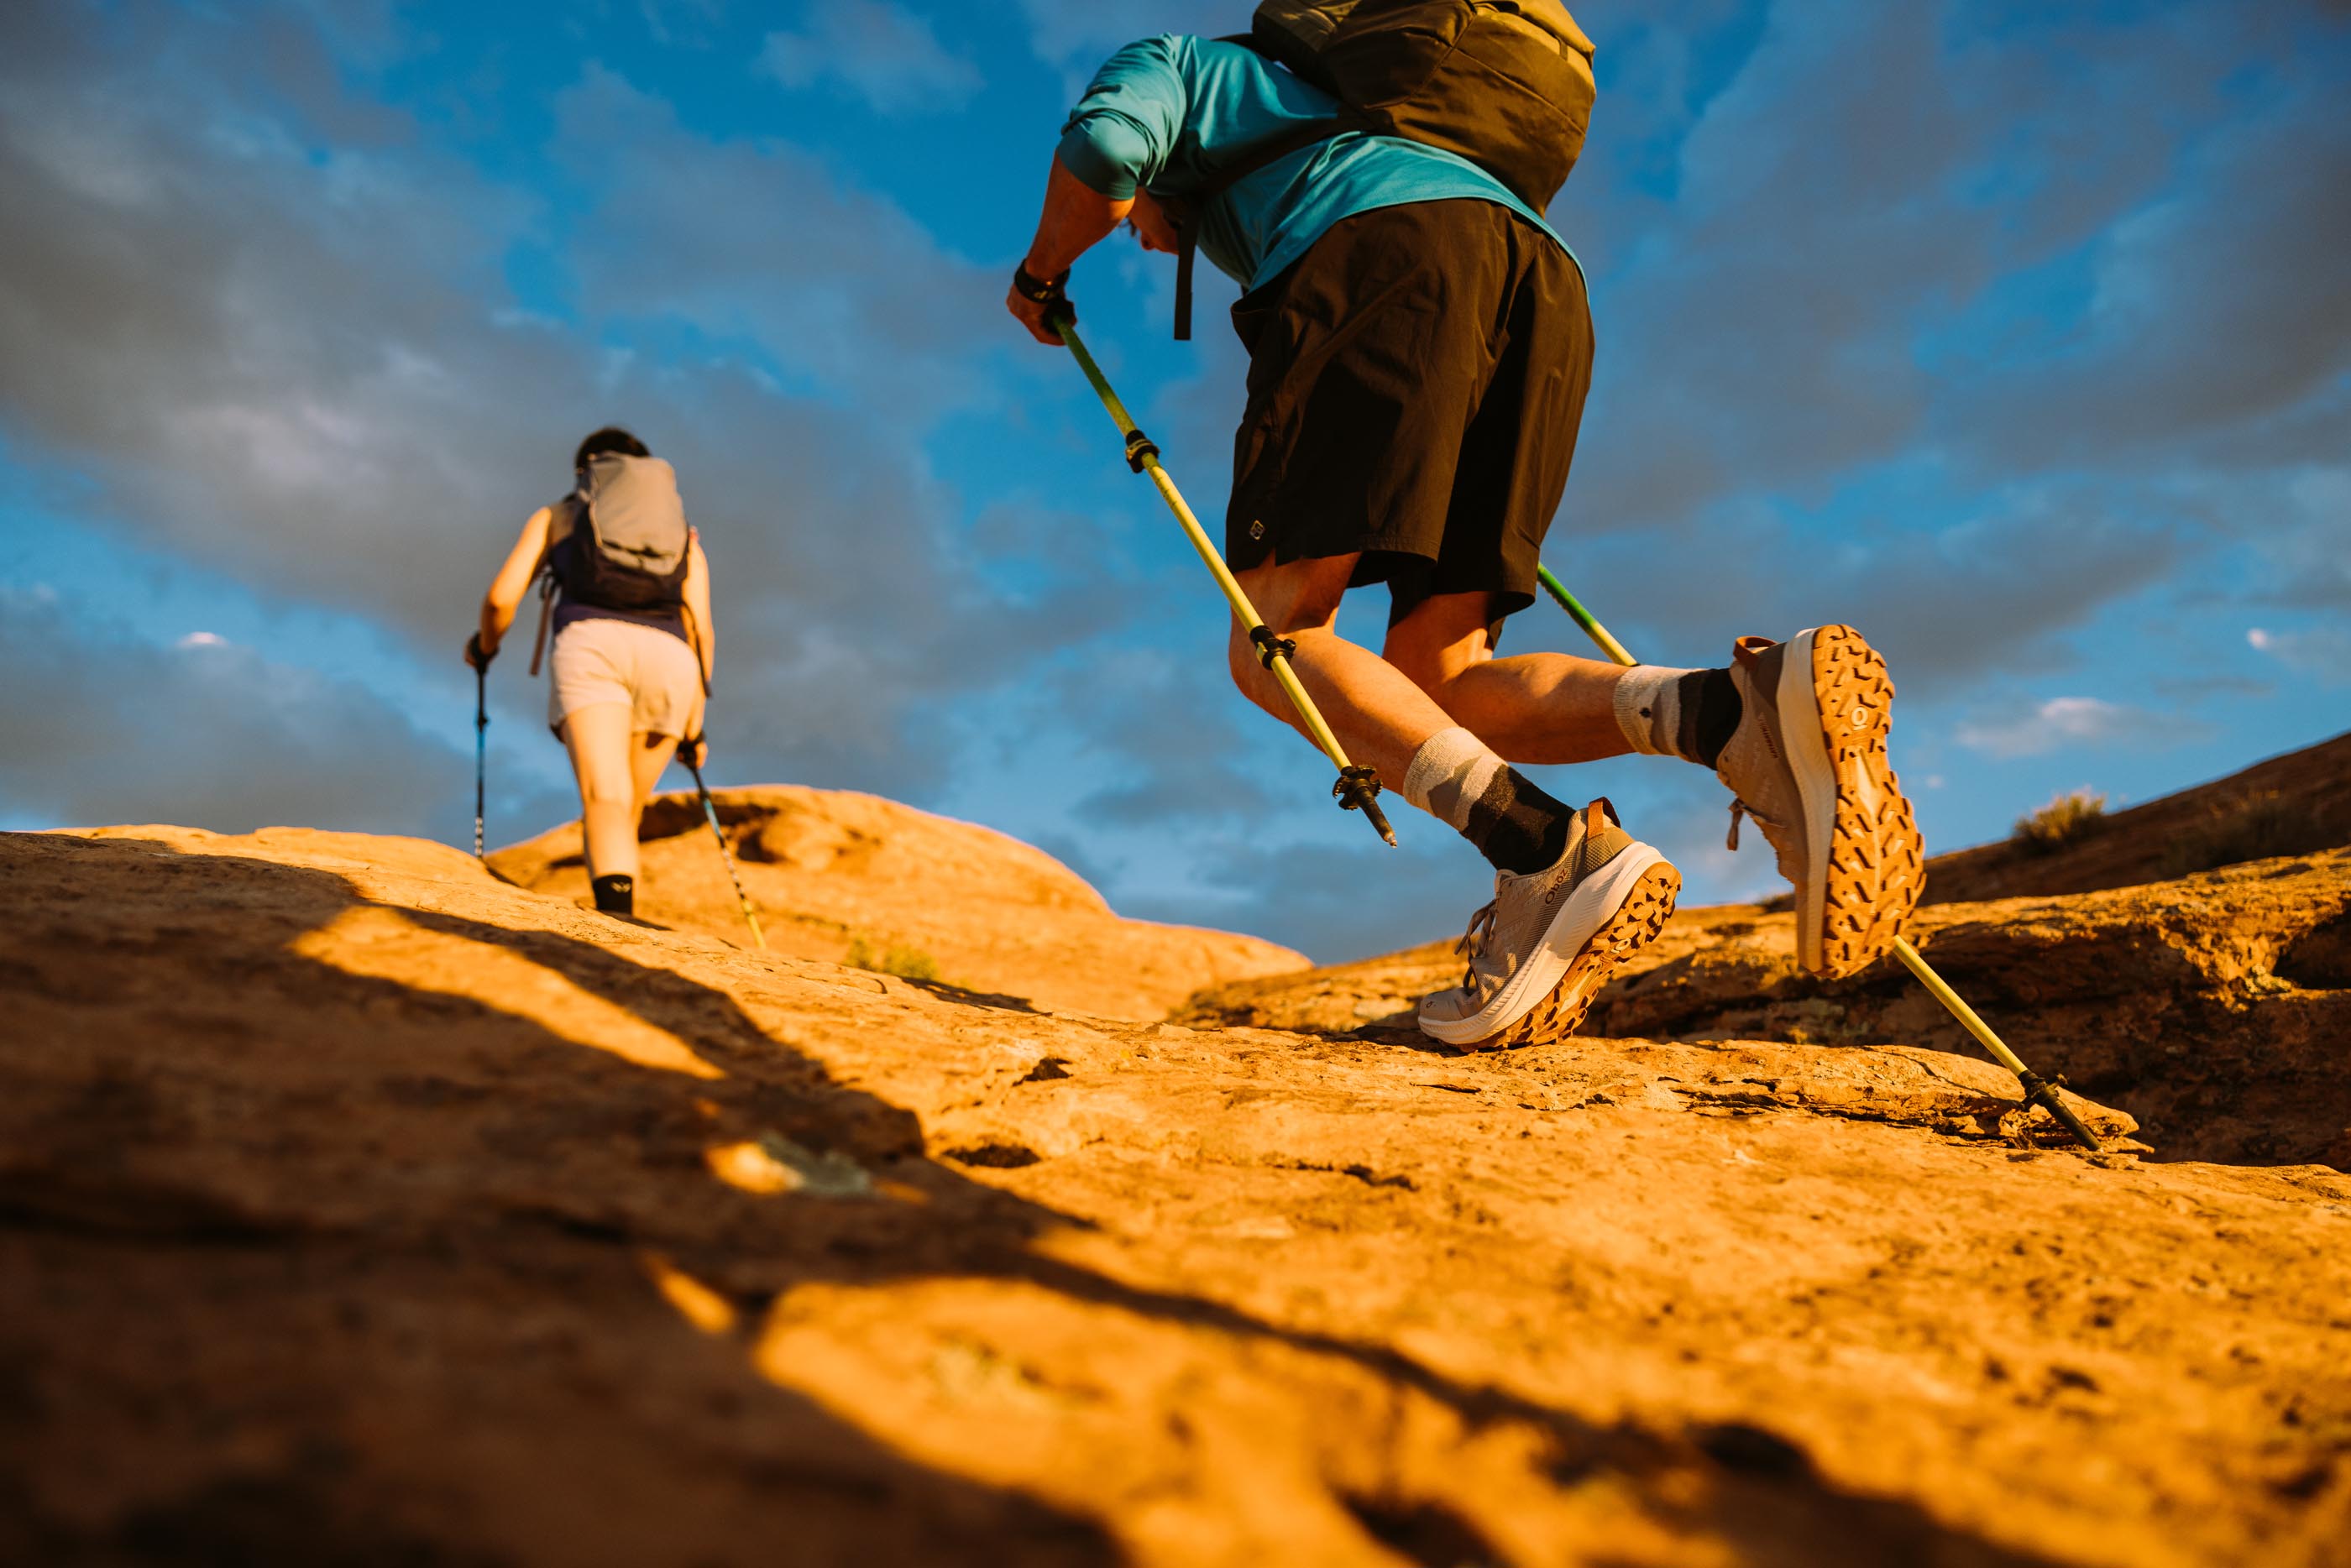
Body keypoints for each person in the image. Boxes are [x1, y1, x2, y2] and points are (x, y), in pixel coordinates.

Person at [1007, 29, 1923, 1048]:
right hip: (1537, 282)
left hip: (1378, 256)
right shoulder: (1355, 110)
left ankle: (1542, 854)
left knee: (1276, 643)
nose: (1143, 243)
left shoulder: (1178, 64)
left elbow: (1103, 152)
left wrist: (1043, 272)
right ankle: (1730, 713)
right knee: (1437, 673)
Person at [465, 426, 715, 919]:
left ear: (586, 472)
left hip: (593, 644)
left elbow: (500, 599)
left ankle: (616, 918)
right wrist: (694, 725)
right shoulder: (683, 536)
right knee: (628, 807)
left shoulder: (559, 515)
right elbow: (702, 630)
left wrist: (484, 647)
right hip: (673, 661)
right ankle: (621, 910)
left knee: (606, 795)